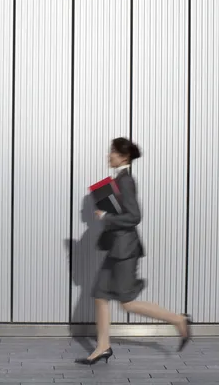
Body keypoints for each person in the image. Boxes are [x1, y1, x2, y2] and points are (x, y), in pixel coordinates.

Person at [75, 137, 192, 365]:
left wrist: (106, 216)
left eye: (112, 152)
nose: (108, 155)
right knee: (100, 295)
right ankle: (103, 347)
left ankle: (178, 319)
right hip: (116, 248)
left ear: (124, 157)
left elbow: (134, 216)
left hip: (125, 250)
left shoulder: (126, 180)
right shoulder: (119, 179)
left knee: (127, 303)